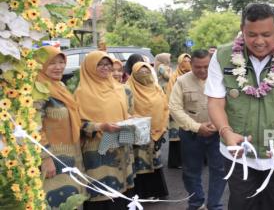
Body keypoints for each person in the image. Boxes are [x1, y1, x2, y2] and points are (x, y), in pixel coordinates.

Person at [206, 3, 274, 210]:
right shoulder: (222, 56)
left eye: (266, 34)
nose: (259, 41)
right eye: (251, 34)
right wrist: (226, 133)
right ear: (242, 30)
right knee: (240, 205)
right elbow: (215, 102)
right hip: (237, 152)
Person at [75, 51, 135, 209]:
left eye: (108, 64)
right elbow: (78, 123)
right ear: (89, 67)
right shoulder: (81, 93)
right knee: (103, 193)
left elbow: (125, 110)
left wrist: (128, 118)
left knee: (122, 192)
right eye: (100, 64)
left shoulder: (118, 88)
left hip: (121, 144)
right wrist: (101, 126)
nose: (105, 68)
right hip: (98, 150)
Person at [169, 49, 226, 210]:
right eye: (197, 67)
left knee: (220, 170)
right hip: (191, 134)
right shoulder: (181, 81)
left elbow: (231, 107)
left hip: (218, 133)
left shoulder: (221, 80)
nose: (202, 70)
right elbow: (174, 108)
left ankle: (215, 204)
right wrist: (197, 127)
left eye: (206, 66)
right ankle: (196, 203)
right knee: (190, 171)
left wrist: (219, 124)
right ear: (191, 65)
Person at [35, 46, 86, 208]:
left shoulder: (60, 86)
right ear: (41, 64)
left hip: (71, 155)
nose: (59, 67)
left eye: (61, 62)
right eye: (52, 63)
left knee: (73, 198)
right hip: (53, 159)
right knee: (57, 200)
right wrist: (45, 158)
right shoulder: (38, 90)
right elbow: (34, 127)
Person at [127, 62, 170, 199]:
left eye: (147, 72)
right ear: (133, 75)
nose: (144, 75)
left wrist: (164, 125)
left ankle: (155, 191)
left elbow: (164, 106)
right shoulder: (128, 89)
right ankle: (143, 194)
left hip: (157, 131)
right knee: (141, 163)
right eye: (140, 73)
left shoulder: (156, 88)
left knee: (155, 161)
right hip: (138, 134)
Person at [165, 53, 192, 169]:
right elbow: (170, 94)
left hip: (191, 110)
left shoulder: (193, 75)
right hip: (177, 110)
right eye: (184, 61)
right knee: (177, 137)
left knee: (191, 137)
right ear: (180, 63)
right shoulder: (174, 77)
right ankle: (176, 162)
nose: (187, 63)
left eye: (189, 61)